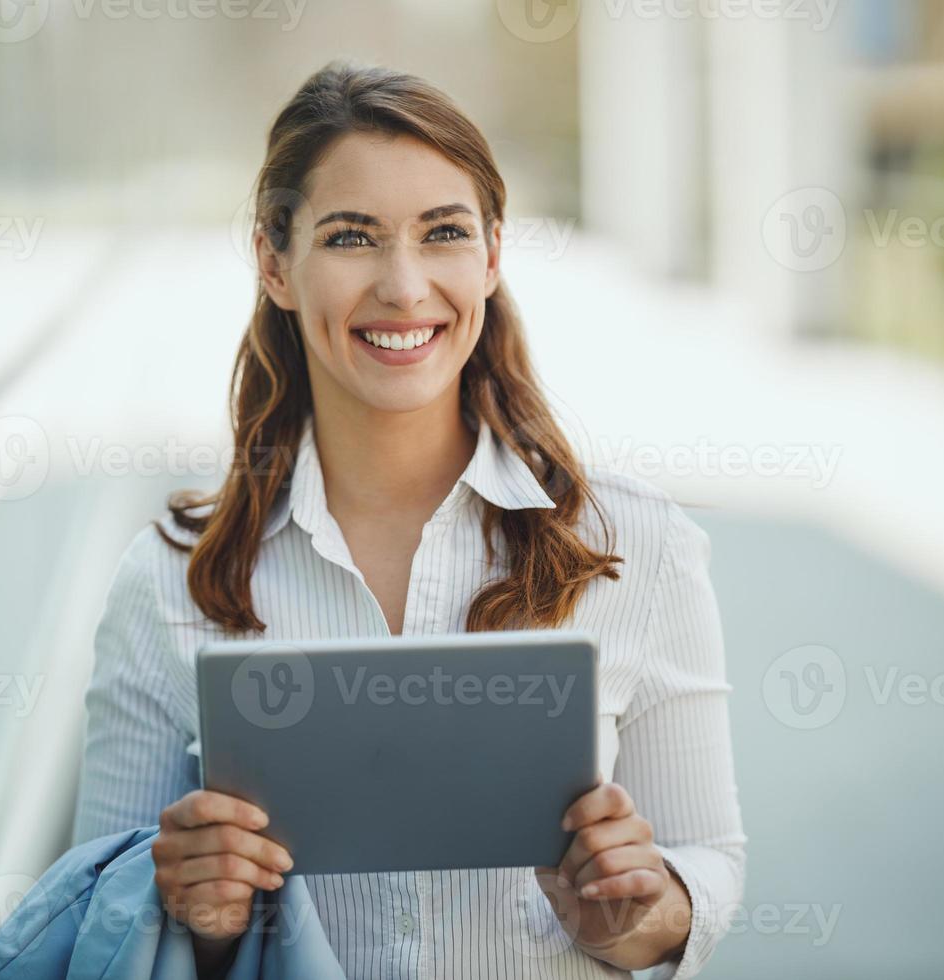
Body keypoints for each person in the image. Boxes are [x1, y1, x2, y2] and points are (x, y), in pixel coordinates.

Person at [74, 60, 746, 980]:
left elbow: (708, 862)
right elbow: (102, 918)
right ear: (275, 262)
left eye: (444, 234)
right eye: (353, 237)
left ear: (493, 255)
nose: (403, 286)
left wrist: (634, 913)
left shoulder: (640, 549)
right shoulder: (164, 581)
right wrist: (205, 918)